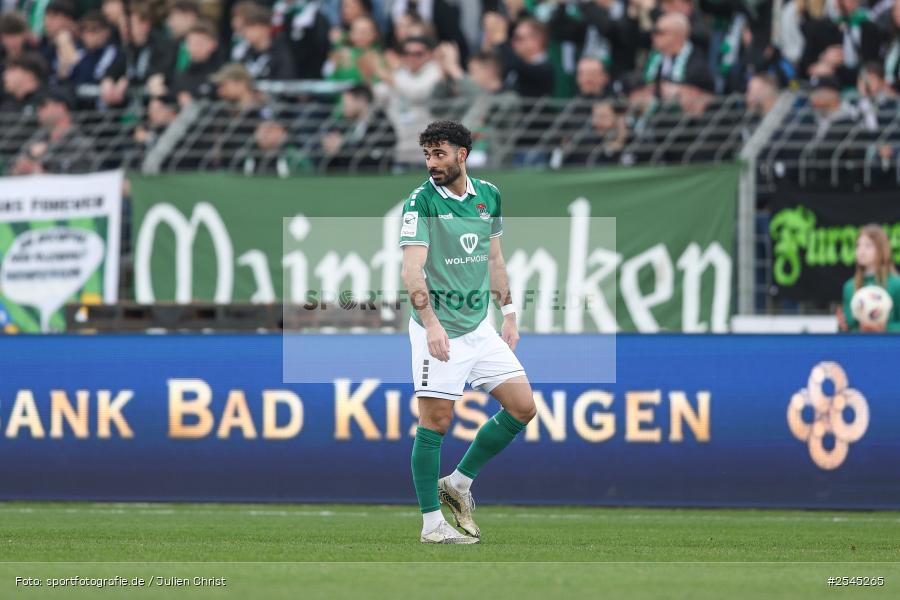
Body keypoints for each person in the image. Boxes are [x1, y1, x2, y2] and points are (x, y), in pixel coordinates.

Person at [399, 120, 536, 544]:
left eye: (439, 154)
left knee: (522, 408)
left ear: (462, 154)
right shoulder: (420, 202)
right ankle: (431, 525)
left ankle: (458, 482)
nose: (431, 163)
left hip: (479, 328)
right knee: (436, 422)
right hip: (437, 330)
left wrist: (509, 312)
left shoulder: (489, 195)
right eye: (426, 155)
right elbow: (412, 270)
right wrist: (433, 326)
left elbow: (494, 259)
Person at [837, 224, 900, 332]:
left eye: (868, 245)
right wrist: (842, 326)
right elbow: (847, 330)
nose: (861, 250)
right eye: (858, 245)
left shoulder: (896, 284)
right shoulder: (849, 286)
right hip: (860, 347)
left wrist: (885, 328)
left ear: (882, 249)